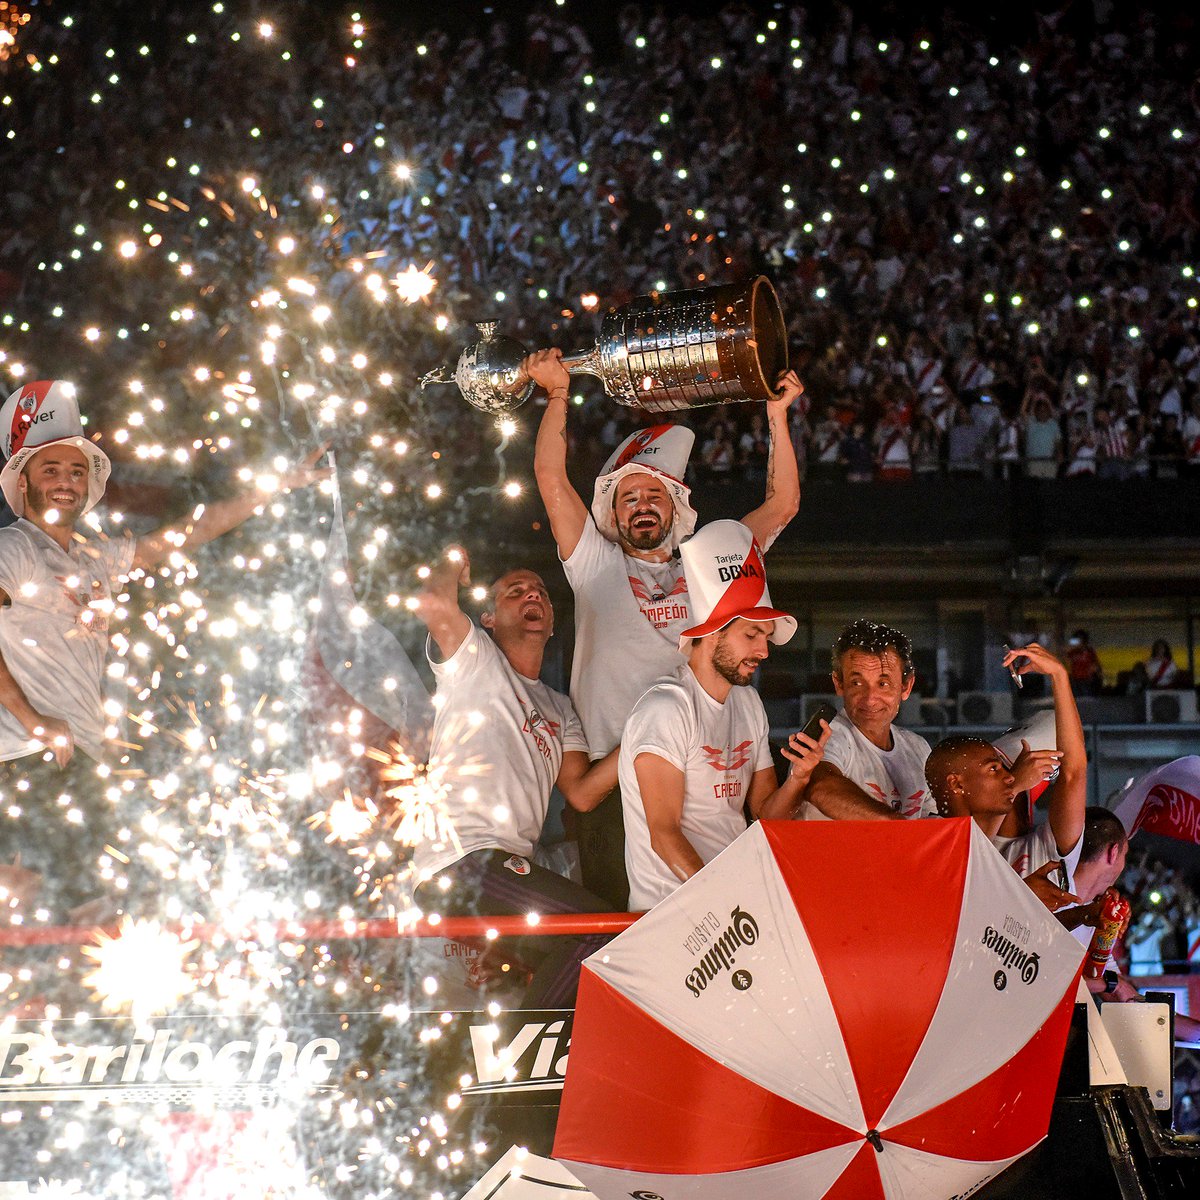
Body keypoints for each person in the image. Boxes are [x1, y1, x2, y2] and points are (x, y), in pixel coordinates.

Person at [0, 379, 327, 904]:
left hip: (74, 757)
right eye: (51, 469)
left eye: (76, 471)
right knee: (33, 908)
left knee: (87, 914)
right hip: (23, 755)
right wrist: (35, 721)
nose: (67, 481)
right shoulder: (13, 548)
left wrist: (276, 487)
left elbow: (187, 534)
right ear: (25, 482)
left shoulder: (94, 559)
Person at [529, 348, 804, 907]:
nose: (642, 506)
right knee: (610, 934)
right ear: (614, 514)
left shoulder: (708, 564)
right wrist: (558, 393)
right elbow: (549, 476)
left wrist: (777, 416)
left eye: (654, 495)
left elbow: (782, 504)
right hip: (613, 783)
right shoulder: (593, 563)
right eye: (628, 498)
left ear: (676, 507)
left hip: (699, 780)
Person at [409, 545, 617, 1006]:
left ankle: (518, 1057)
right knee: (597, 931)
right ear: (487, 619)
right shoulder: (476, 661)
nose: (532, 597)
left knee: (593, 941)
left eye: (540, 592)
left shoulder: (559, 707)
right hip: (462, 861)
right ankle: (526, 1066)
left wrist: (646, 736)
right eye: (515, 592)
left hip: (509, 872)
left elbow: (582, 793)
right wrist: (454, 561)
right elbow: (433, 602)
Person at [619, 521, 828, 910]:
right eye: (752, 635)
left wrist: (798, 779)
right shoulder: (666, 708)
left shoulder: (748, 704)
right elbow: (664, 834)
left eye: (766, 637)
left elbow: (765, 815)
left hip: (732, 907)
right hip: (670, 911)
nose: (764, 651)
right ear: (712, 632)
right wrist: (718, 902)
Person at [926, 643, 1087, 903]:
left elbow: (1073, 773)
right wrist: (1016, 786)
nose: (1011, 776)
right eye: (994, 769)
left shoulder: (1039, 848)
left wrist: (1059, 676)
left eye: (1005, 768)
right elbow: (968, 854)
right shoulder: (929, 838)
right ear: (956, 784)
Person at [800, 620, 932, 821]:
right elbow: (821, 787)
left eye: (883, 683)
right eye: (857, 683)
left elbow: (934, 820)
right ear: (839, 683)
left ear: (906, 686)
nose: (870, 698)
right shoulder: (828, 735)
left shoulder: (918, 748)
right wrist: (899, 828)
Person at [1064, 628, 1103, 695]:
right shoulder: (1072, 653)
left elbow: (1095, 665)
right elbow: (1067, 662)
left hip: (1087, 680)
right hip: (1075, 680)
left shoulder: (1089, 652)